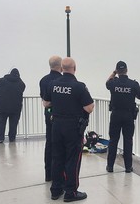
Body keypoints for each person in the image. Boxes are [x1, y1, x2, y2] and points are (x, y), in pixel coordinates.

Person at [43, 57, 94, 202]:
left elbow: (46, 103)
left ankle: (55, 190)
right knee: (72, 159)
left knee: (57, 157)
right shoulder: (79, 86)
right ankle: (71, 192)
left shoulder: (52, 84)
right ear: (74, 68)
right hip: (72, 128)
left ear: (61, 68)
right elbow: (89, 108)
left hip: (56, 125)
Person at [106, 61, 140, 173]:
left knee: (113, 140)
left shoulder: (113, 83)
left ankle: (110, 166)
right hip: (128, 116)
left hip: (116, 115)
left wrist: (113, 73)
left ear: (117, 71)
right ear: (126, 70)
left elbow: (107, 83)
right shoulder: (133, 84)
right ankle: (128, 167)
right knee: (128, 141)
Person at [39, 55, 62, 182]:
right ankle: (59, 174)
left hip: (48, 113)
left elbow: (45, 100)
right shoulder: (62, 80)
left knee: (50, 143)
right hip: (61, 115)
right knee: (61, 145)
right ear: (61, 65)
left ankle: (48, 174)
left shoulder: (43, 80)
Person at [0, 68, 26, 143]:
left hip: (2, 107)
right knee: (13, 124)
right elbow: (22, 89)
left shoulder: (3, 80)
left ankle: (0, 138)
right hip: (15, 108)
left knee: (1, 123)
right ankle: (12, 138)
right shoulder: (21, 83)